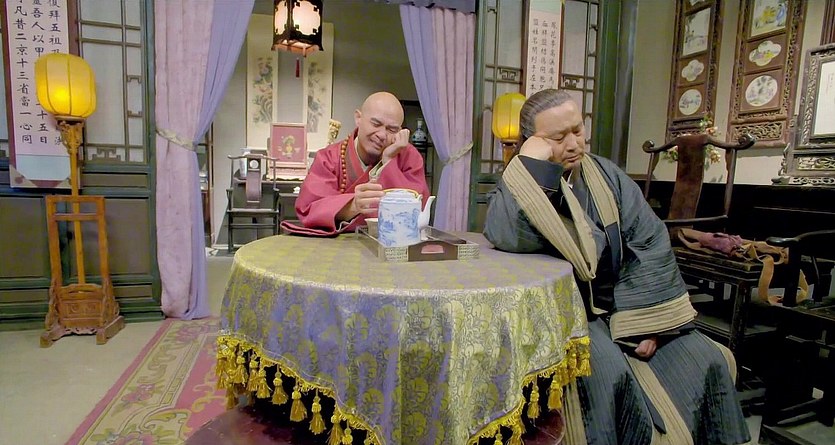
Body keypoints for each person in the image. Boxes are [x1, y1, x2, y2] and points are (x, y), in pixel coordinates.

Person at [483, 89, 749, 445]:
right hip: (567, 313)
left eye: (577, 130)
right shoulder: (520, 181)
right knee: (607, 374)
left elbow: (649, 242)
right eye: (558, 138)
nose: (574, 144)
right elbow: (508, 236)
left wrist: (647, 324)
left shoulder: (607, 176)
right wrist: (534, 171)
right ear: (533, 142)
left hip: (627, 306)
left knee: (706, 358)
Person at [286, 92, 430, 236]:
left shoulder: (409, 157)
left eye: (391, 129)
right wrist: (352, 205)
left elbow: (417, 211)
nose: (381, 135)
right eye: (376, 124)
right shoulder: (329, 158)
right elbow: (309, 209)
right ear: (358, 118)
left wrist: (388, 161)